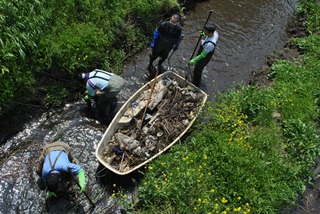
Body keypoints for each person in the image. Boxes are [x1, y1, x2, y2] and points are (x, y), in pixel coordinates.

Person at [145, 14, 183, 79]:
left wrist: (176, 45)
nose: (172, 23)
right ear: (170, 19)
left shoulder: (178, 29)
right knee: (154, 55)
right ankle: (150, 64)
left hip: (168, 46)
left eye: (174, 22)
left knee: (164, 57)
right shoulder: (163, 25)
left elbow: (178, 38)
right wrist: (153, 42)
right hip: (159, 44)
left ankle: (159, 64)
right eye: (171, 21)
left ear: (177, 22)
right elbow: (156, 33)